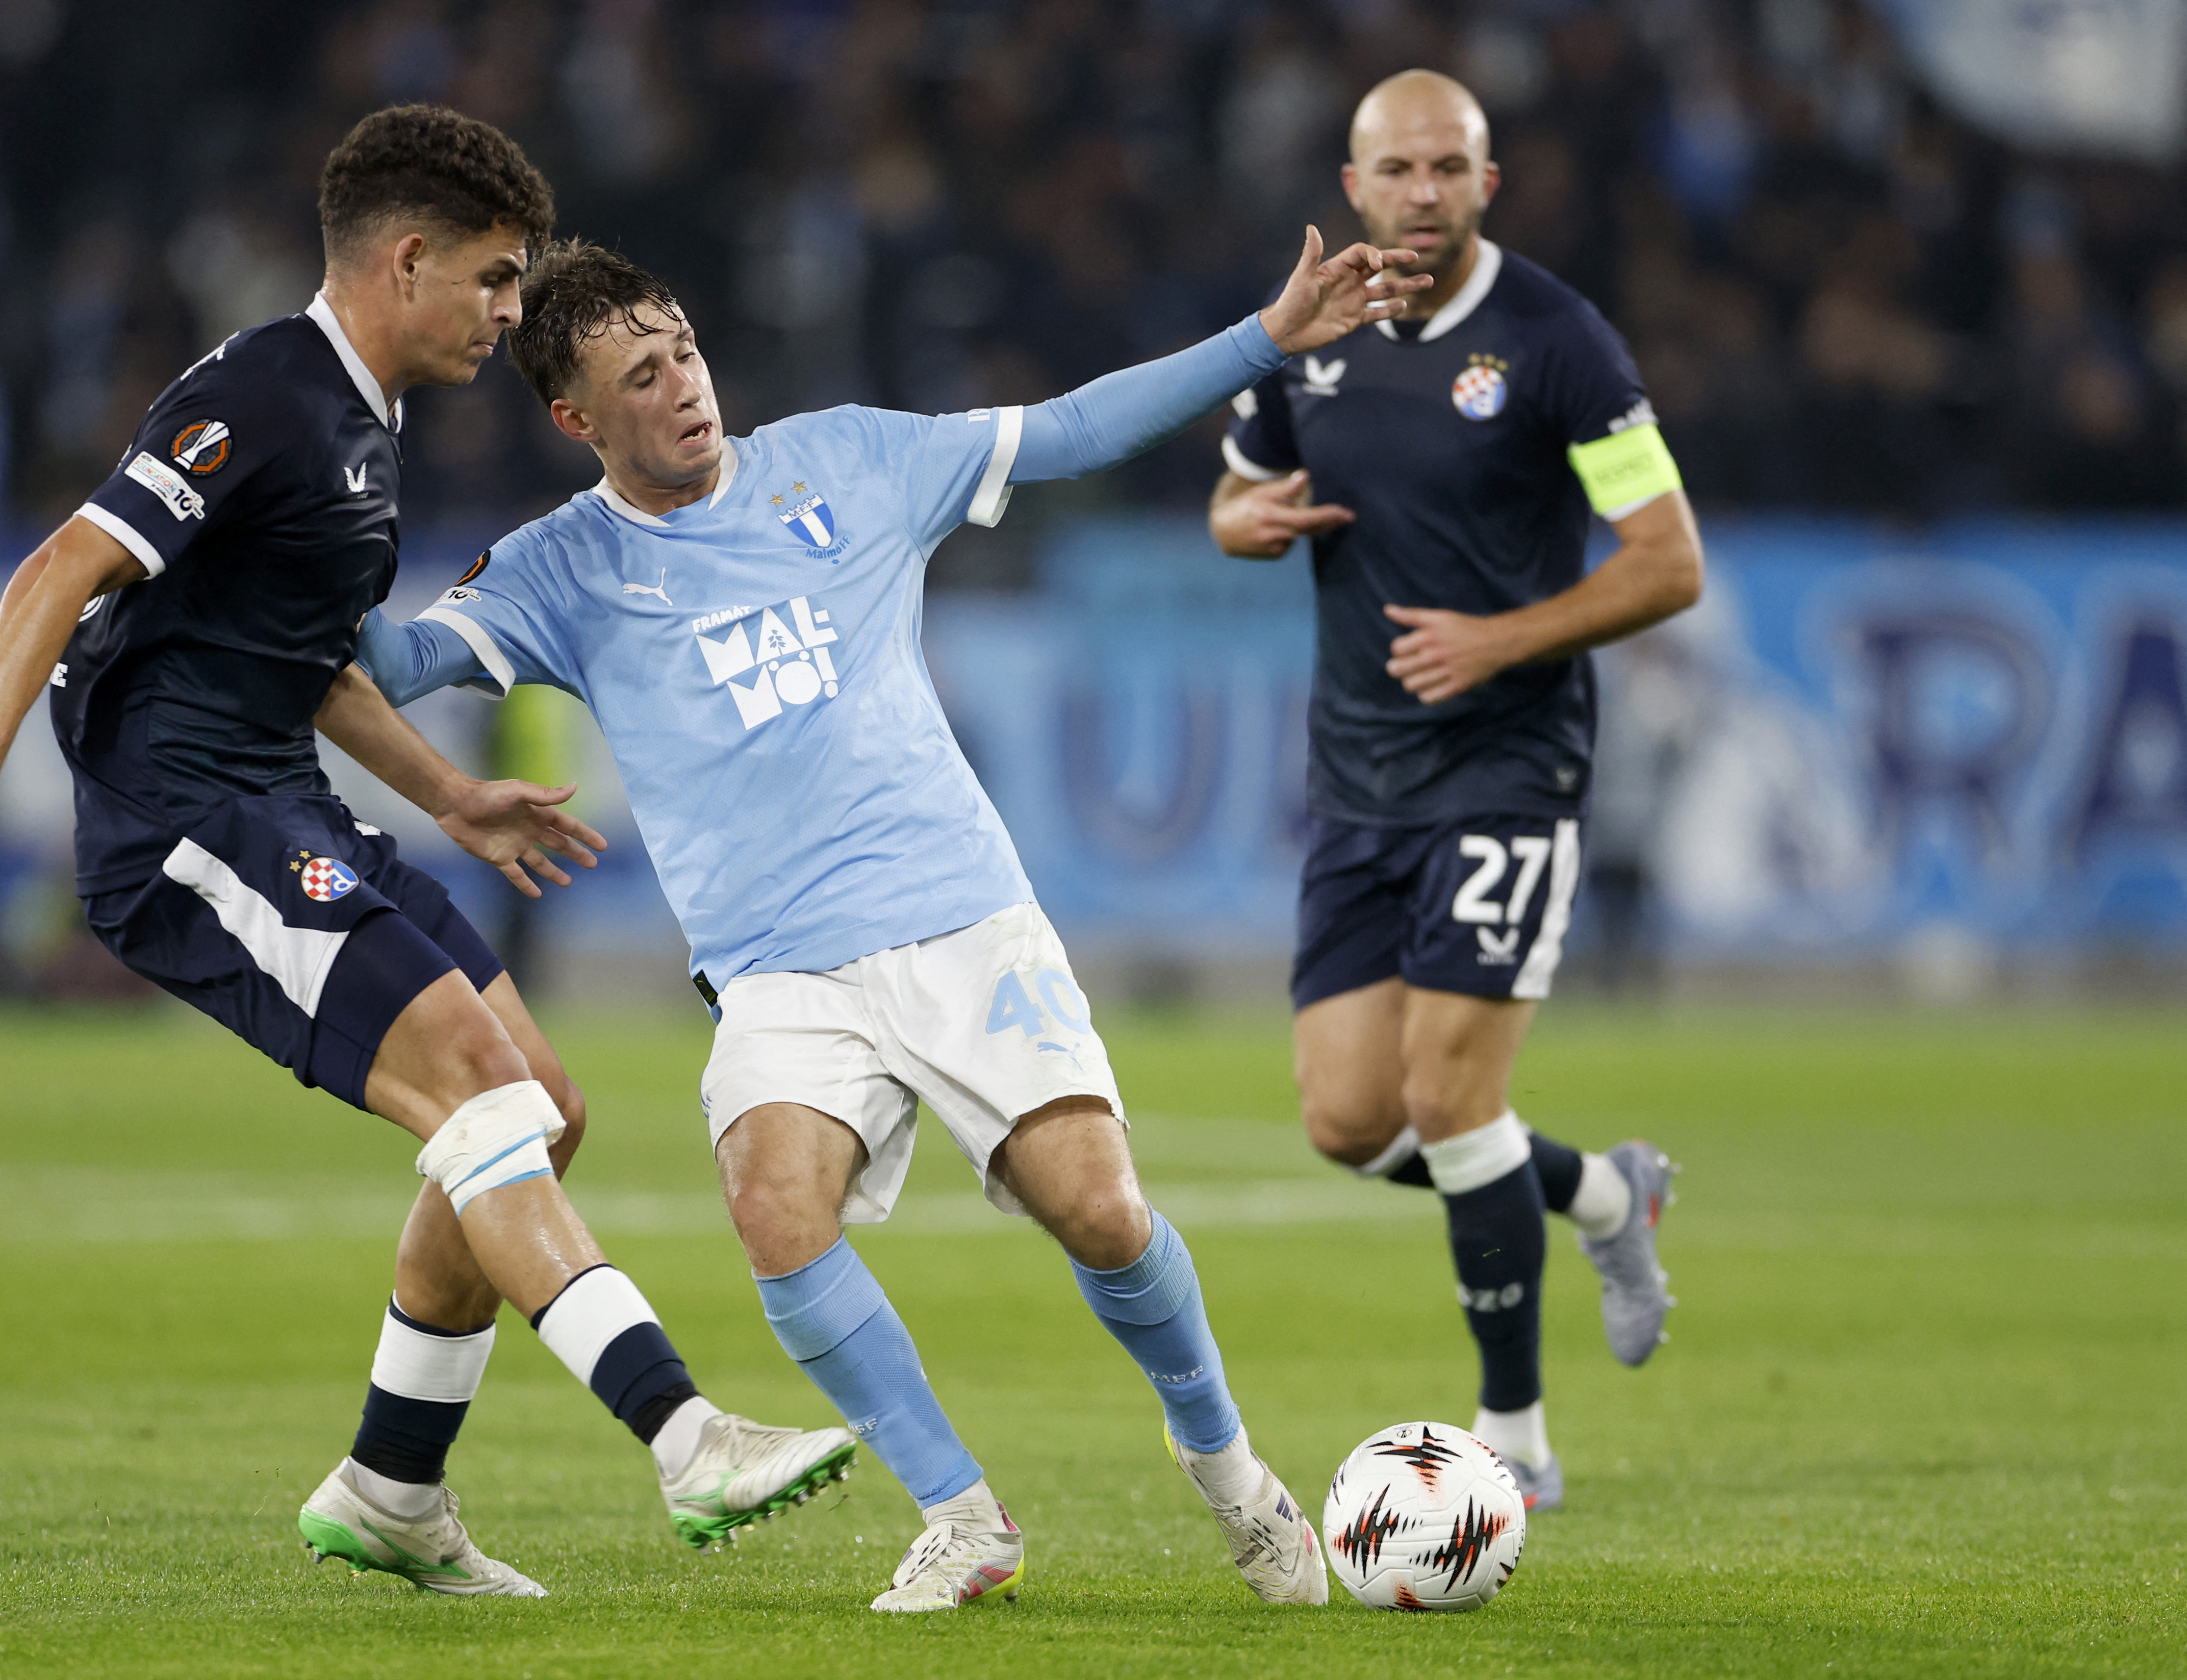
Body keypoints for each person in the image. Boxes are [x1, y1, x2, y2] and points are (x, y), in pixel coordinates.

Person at [352, 231, 1430, 1613]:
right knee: (773, 1209)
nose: (684, 384)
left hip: (961, 919)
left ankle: (1227, 1467)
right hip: (776, 975)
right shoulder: (560, 570)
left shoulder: (848, 458)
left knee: (1100, 1213)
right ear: (575, 417)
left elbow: (1072, 428)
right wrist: (293, 528)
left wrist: (1267, 337)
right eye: (640, 374)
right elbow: (388, 658)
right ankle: (961, 1513)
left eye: (682, 347)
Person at [0, 105, 855, 1598]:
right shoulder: (265, 392)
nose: (511, 313)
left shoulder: (363, 418)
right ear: (405, 262)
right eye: (492, 280)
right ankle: (683, 1432)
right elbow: (59, 568)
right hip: (185, 825)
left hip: (281, 797)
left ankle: (395, 1486)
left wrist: (451, 798)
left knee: (540, 1099)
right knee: (478, 1095)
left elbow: (309, 652)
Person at [1208, 70, 1701, 1511]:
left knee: (1452, 1092)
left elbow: (1669, 560)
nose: (1423, 194)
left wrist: (1502, 637)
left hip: (1509, 767)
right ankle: (1606, 1197)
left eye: (1450, 169)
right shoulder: (1310, 334)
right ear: (1352, 187)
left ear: (1490, 183)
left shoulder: (1562, 346)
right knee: (1351, 1122)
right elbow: (1239, 494)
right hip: (1358, 774)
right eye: (1397, 172)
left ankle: (1520, 1445)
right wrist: (1249, 522)